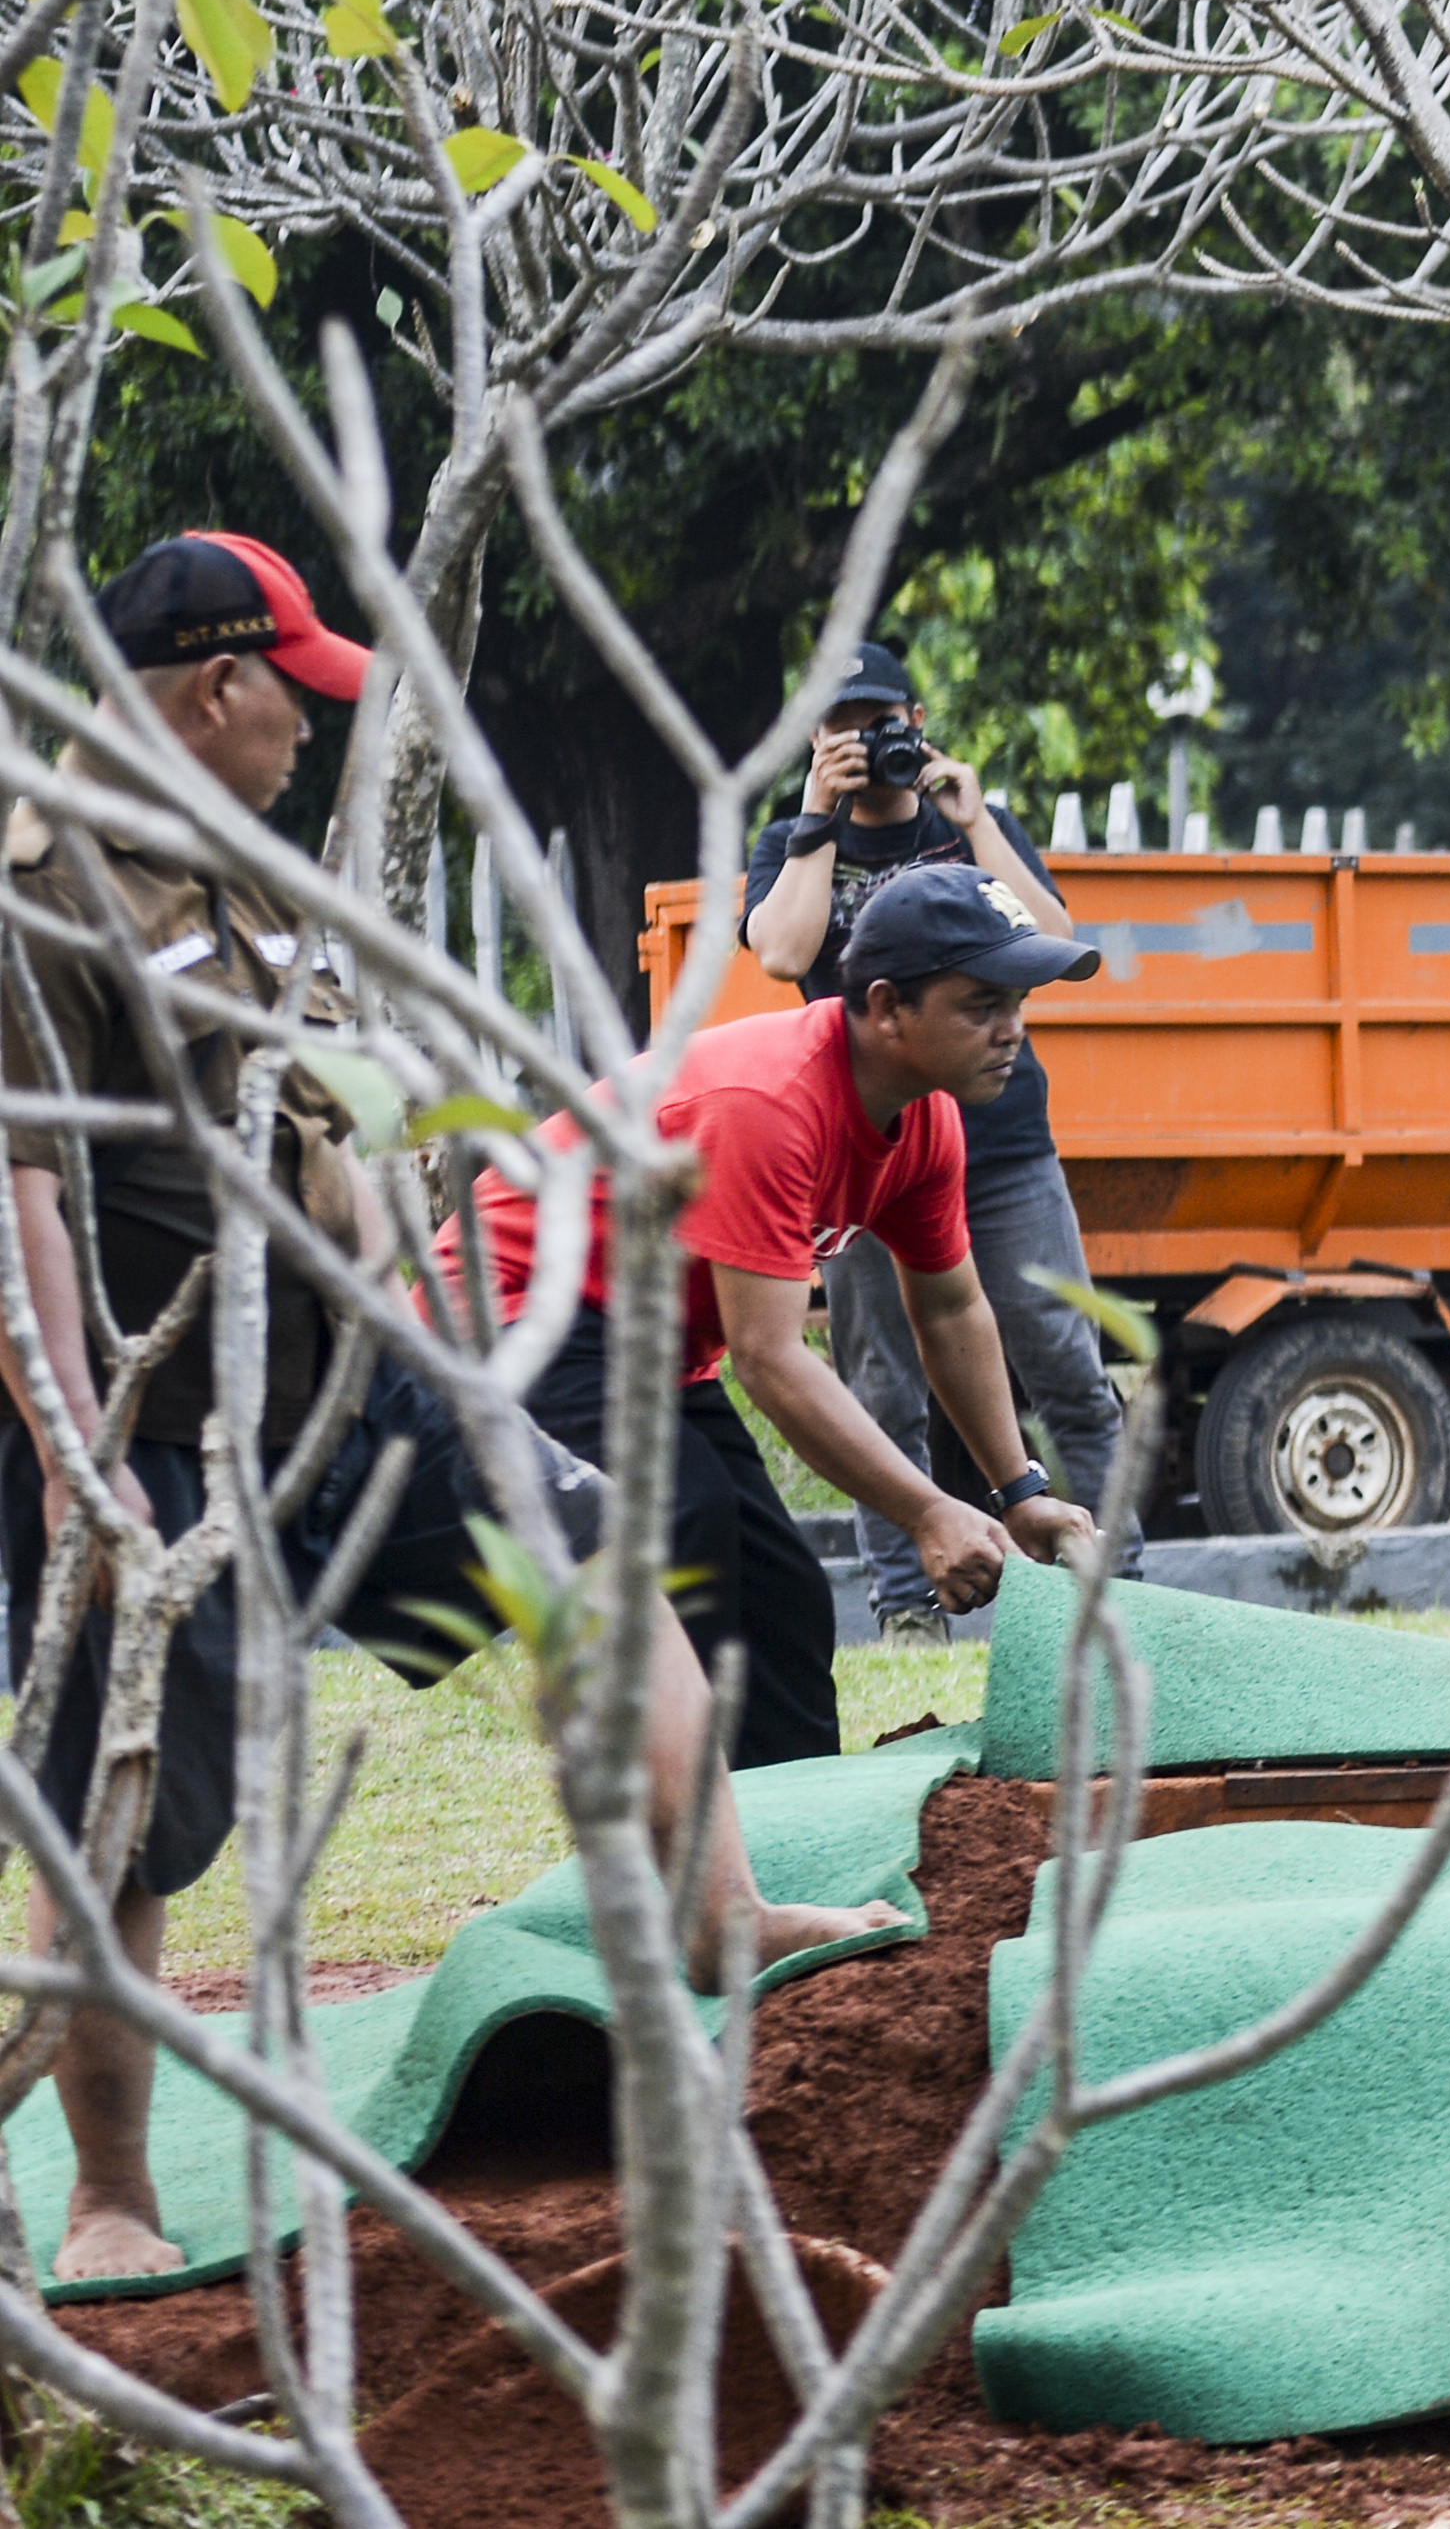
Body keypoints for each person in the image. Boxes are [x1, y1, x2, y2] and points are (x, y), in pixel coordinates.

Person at [2, 534, 896, 2283]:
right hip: (138, 1423)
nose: (314, 732)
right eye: (299, 695)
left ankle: (720, 1917)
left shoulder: (245, 870)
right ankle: (112, 2190)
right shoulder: (41, 886)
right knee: (128, 1812)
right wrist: (69, 1453)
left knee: (592, 1557)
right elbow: (16, 1186)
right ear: (216, 685)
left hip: (337, 1375)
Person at [438, 867, 1107, 1768]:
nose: (1012, 1030)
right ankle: (675, 1860)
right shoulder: (773, 1101)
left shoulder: (926, 1124)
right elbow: (768, 1358)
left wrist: (1017, 1493)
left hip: (644, 1344)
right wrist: (925, 1514)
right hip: (516, 1309)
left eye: (1019, 1003)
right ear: (886, 1007)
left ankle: (788, 1852)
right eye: (982, 1003)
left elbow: (950, 1310)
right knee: (689, 1528)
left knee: (782, 1591)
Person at [736, 643, 1136, 1642]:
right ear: (815, 739)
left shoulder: (968, 829)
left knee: (1064, 1359)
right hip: (868, 1153)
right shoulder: (793, 840)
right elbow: (781, 952)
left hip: (1000, 1146)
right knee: (880, 1378)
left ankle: (1120, 1578)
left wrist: (976, 822)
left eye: (879, 719)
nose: (865, 741)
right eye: (841, 725)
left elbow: (1052, 941)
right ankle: (906, 1603)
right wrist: (817, 820)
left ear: (914, 715)